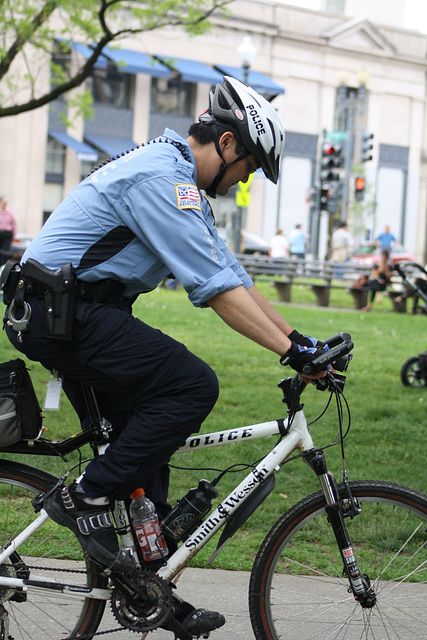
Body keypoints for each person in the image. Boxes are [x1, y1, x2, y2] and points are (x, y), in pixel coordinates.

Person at [2, 77, 327, 636]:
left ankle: (150, 593)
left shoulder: (179, 180)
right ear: (226, 145)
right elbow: (216, 291)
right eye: (249, 165)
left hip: (77, 313)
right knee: (191, 386)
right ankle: (84, 497)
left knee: (144, 455)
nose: (245, 179)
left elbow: (233, 275)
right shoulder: (162, 179)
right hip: (63, 316)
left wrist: (299, 342)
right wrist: (292, 355)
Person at [0, 196, 18, 265]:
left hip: (7, 234)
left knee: (5, 252)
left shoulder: (9, 211)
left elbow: (14, 224)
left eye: (6, 203)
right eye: (4, 202)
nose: (5, 204)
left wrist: (14, 236)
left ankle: (2, 266)